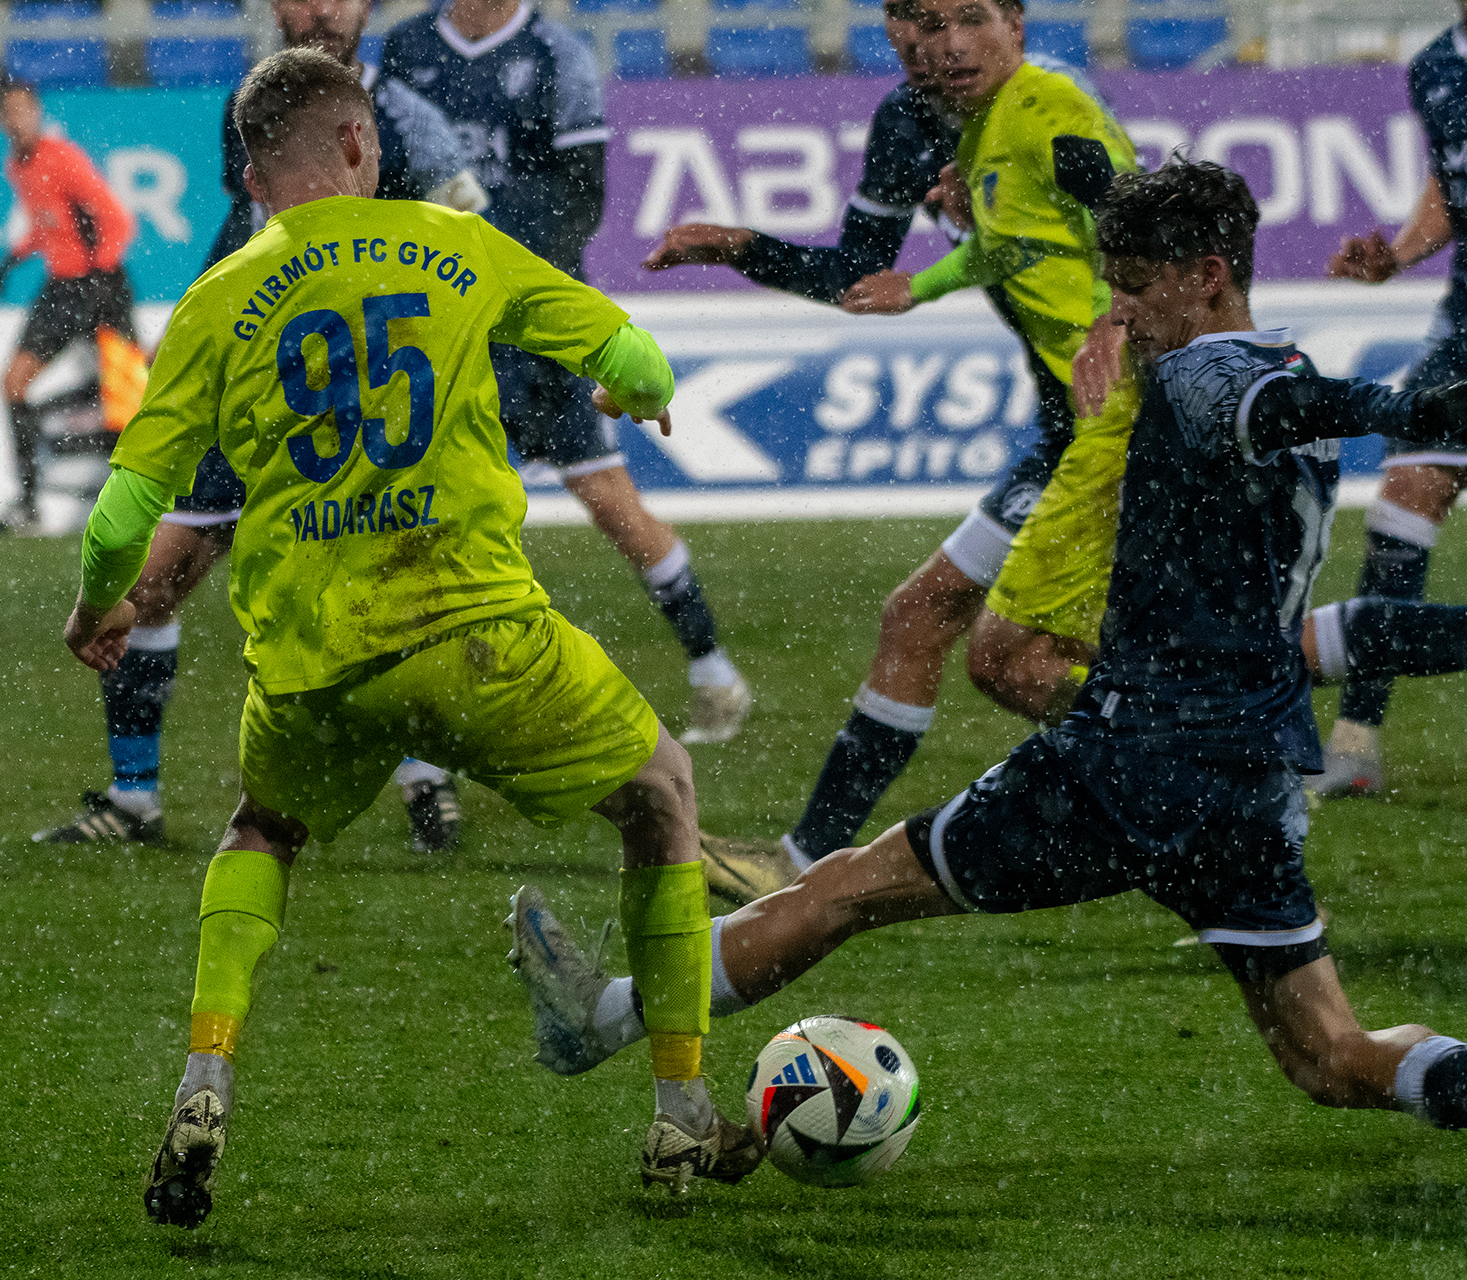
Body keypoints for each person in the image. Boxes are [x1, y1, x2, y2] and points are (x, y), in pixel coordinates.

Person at [509, 158, 1467, 1144]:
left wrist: (1410, 413)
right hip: (1246, 788)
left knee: (845, 888)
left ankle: (603, 1016)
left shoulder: (1205, 375)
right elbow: (1308, 494)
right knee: (1334, 1057)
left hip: (1124, 767)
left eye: (1136, 286)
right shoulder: (1283, 374)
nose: (1120, 311)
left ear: (1209, 276)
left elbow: (1255, 400)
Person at [57, 49, 758, 1227]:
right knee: (662, 794)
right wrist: (636, 389)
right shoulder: (453, 243)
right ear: (357, 144)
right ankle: (682, 1108)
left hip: (318, 661)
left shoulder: (219, 297)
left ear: (250, 175)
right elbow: (632, 356)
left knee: (262, 827)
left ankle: (204, 1075)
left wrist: (97, 608)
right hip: (482, 637)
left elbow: (125, 511)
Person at [693, 0, 1139, 903]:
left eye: (969, 19)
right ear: (894, 30)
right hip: (1069, 429)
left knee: (1022, 659)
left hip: (1118, 426)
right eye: (926, 25)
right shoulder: (921, 126)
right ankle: (804, 861)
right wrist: (744, 249)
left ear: (1015, 24)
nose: (948, 45)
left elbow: (1141, 230)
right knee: (927, 619)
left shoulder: (1050, 107)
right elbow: (868, 272)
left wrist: (1117, 322)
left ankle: (1214, 784)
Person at [31, 0, 486, 849]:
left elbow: (467, 249)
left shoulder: (405, 117)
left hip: (356, 406)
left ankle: (427, 785)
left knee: (382, 594)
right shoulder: (249, 105)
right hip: (251, 388)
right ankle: (134, 800)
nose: (319, 8)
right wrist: (201, 312)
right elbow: (249, 232)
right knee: (150, 587)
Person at [380, 0, 754, 744]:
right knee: (434, 516)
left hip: (532, 324)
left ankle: (712, 670)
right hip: (442, 325)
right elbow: (388, 179)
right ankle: (433, 727)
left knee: (610, 503)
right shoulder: (404, 47)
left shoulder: (558, 56)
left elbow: (584, 196)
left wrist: (516, 282)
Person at [1312, 8, 1467, 798]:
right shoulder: (1436, 66)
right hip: (1465, 326)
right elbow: (1452, 180)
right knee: (1404, 499)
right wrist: (1398, 255)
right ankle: (1355, 745)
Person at [0, 77, 137, 537]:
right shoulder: (18, 165)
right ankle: (28, 505)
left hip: (100, 286)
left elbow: (116, 219)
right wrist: (11, 260)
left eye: (25, 110)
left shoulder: (63, 157)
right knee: (12, 384)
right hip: (63, 288)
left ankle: (148, 505)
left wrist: (101, 270)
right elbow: (48, 223)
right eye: (10, 112)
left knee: (129, 400)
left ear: (38, 113)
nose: (18, 120)